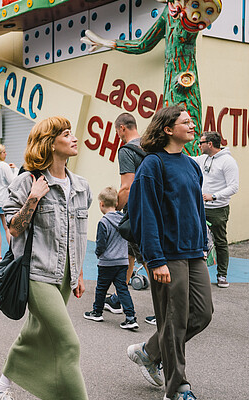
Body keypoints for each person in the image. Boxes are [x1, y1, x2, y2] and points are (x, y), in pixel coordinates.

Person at [0, 116, 91, 400]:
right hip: (36, 274)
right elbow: (12, 228)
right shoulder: (28, 181)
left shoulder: (82, 186)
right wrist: (32, 198)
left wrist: (79, 272)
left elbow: (77, 234)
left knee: (35, 333)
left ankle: (1, 388)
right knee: (68, 344)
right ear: (50, 143)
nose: (74, 138)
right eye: (66, 134)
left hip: (65, 274)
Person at [126, 106, 213, 400]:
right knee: (173, 322)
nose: (192, 125)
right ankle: (177, 388)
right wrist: (155, 259)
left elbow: (197, 209)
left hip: (192, 252)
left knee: (202, 314)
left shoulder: (191, 165)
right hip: (167, 255)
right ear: (167, 129)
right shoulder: (152, 164)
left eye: (191, 121)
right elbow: (145, 215)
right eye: (185, 122)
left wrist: (202, 246)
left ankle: (150, 351)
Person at [112, 112, 156, 326]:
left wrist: (116, 206)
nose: (118, 136)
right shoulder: (150, 145)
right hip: (154, 206)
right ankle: (120, 298)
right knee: (130, 254)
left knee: (148, 259)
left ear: (122, 128)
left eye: (117, 132)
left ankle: (164, 307)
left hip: (137, 212)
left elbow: (126, 187)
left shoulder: (126, 151)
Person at [83, 186, 138, 330]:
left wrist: (98, 254)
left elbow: (101, 243)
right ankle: (131, 317)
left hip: (107, 262)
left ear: (101, 204)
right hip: (122, 262)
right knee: (122, 289)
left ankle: (97, 312)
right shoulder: (123, 220)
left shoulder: (103, 222)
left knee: (101, 288)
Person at [193, 131, 239, 288]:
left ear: (210, 144)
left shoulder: (228, 162)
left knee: (220, 241)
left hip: (218, 209)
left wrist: (214, 196)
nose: (199, 145)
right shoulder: (203, 159)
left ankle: (222, 275)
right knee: (198, 240)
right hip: (201, 207)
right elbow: (188, 160)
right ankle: (198, 275)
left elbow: (234, 187)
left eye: (201, 143)